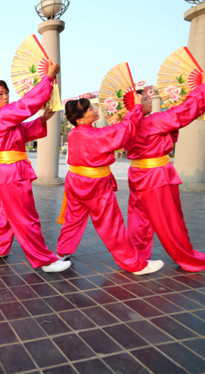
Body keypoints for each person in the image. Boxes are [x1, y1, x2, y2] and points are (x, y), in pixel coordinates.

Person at [56, 94, 163, 275]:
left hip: (75, 182)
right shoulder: (95, 135)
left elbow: (118, 130)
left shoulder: (73, 133)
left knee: (73, 220)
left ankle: (62, 252)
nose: (95, 110)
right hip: (95, 185)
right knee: (111, 225)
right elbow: (124, 130)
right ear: (80, 119)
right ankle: (134, 264)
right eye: (90, 109)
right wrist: (136, 108)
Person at [125, 76, 205, 272]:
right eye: (145, 99)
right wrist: (203, 86)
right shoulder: (153, 121)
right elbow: (185, 112)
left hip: (137, 174)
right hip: (156, 176)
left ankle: (138, 259)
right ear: (136, 105)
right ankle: (190, 260)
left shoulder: (127, 124)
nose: (149, 100)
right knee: (169, 220)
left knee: (139, 220)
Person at [0, 62, 70, 273]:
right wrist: (47, 78)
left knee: (4, 213)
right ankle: (44, 260)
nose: (5, 97)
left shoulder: (4, 118)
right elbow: (25, 106)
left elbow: (23, 132)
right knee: (26, 216)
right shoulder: (1, 115)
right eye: (0, 94)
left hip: (10, 170)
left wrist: (42, 119)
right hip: (12, 171)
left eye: (6, 93)